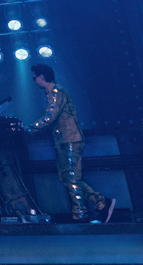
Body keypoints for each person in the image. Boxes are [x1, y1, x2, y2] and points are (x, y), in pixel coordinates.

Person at [28, 65, 114, 223]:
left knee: (71, 177)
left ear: (41, 77)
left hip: (70, 139)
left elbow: (50, 117)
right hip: (65, 139)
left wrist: (30, 129)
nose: (34, 81)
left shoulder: (56, 92)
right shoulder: (53, 93)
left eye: (35, 78)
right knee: (67, 177)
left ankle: (81, 213)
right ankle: (99, 202)